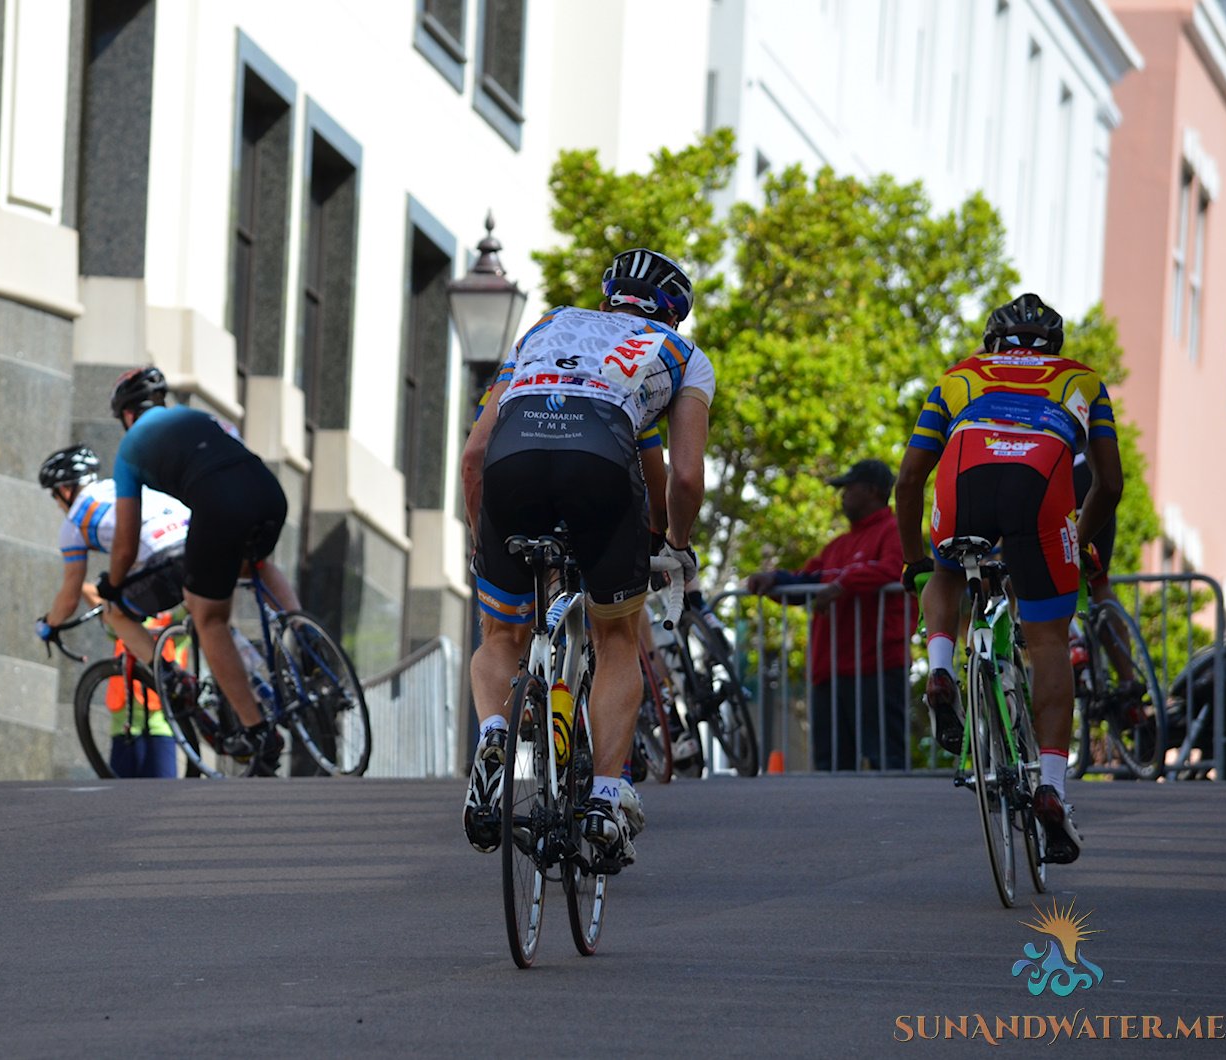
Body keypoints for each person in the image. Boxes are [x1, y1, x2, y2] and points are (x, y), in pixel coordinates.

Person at [460, 247, 714, 872]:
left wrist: (480, 532)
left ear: (606, 298)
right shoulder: (678, 357)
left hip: (512, 462)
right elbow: (680, 479)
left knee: (501, 633)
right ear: (674, 315)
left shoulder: (547, 328)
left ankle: (494, 731)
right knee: (619, 635)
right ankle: (604, 796)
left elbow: (472, 454)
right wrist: (675, 544)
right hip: (600, 463)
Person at [895, 293, 1123, 865]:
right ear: (1054, 346)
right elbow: (1110, 484)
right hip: (1043, 485)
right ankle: (1051, 784)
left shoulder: (961, 376)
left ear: (994, 343)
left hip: (966, 475)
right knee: (1046, 642)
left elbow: (908, 480)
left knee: (946, 566)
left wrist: (913, 562)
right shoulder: (1084, 380)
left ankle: (943, 669)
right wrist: (1081, 536)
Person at [101, 367, 300, 766]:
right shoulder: (202, 418)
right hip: (268, 490)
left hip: (217, 503)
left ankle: (258, 731)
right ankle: (307, 643)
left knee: (208, 617)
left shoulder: (130, 449)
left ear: (126, 416)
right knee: (255, 564)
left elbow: (124, 545)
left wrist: (112, 585)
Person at [35, 444, 194, 778]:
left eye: (54, 497)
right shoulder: (120, 489)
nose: (58, 504)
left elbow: (68, 598)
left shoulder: (76, 520)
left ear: (65, 490)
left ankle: (171, 678)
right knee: (209, 616)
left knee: (115, 614)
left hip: (168, 558)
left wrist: (49, 624)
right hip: (201, 539)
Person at [744, 459, 909, 771]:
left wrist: (841, 584)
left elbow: (893, 570)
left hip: (876, 667)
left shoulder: (895, 532)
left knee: (887, 762)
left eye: (849, 488)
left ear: (872, 491)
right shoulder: (837, 545)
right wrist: (775, 580)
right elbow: (807, 580)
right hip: (830, 670)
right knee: (830, 767)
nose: (842, 495)